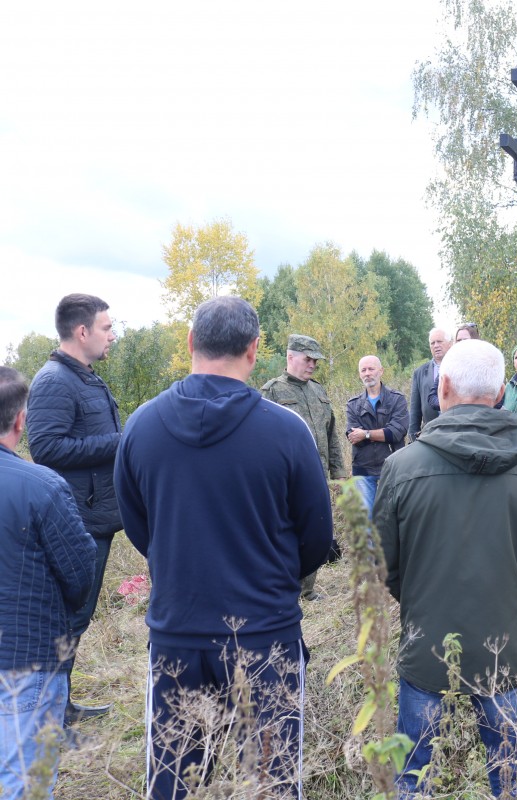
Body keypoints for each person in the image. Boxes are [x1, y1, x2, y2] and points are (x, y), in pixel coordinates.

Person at [114, 297, 334, 800]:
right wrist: (271, 577)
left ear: (191, 343)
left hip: (177, 637)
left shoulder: (141, 427)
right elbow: (316, 537)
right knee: (273, 784)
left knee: (173, 782)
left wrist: (181, 564)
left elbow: (139, 528)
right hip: (265, 636)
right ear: (255, 350)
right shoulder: (286, 430)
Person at [375, 339, 517, 800]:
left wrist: (420, 599)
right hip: (505, 650)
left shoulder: (400, 467)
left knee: (414, 778)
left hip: (425, 645)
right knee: (513, 777)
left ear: (443, 387)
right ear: (500, 392)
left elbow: (385, 566)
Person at [0, 367, 96, 798]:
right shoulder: (42, 487)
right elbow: (80, 573)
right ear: (21, 419)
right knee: (24, 782)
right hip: (26, 659)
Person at [26, 292, 120, 724]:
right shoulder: (54, 381)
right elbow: (45, 448)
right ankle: (50, 717)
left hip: (93, 517)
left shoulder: (84, 377)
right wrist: (120, 443)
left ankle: (59, 707)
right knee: (68, 618)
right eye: (106, 327)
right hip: (75, 522)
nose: (112, 336)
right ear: (82, 332)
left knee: (76, 618)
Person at [261, 333, 347, 601]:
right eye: (308, 359)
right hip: (285, 479)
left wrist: (339, 471)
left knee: (316, 530)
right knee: (285, 533)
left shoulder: (318, 391)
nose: (313, 365)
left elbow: (332, 433)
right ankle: (283, 587)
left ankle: (307, 590)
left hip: (318, 475)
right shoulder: (271, 391)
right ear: (290, 357)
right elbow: (261, 439)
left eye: (316, 361)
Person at [345, 355, 408, 516]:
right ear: (359, 374)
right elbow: (353, 437)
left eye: (371, 369)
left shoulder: (397, 400)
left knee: (394, 517)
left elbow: (396, 432)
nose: (367, 373)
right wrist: (381, 434)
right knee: (367, 521)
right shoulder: (353, 404)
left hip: (393, 466)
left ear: (381, 371)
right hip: (363, 469)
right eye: (363, 370)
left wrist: (365, 434)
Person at [409, 328, 451, 440]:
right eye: (432, 343)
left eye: (439, 341)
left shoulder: (459, 367)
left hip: (455, 432)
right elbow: (415, 409)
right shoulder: (420, 372)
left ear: (450, 344)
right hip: (429, 435)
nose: (436, 345)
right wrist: (413, 437)